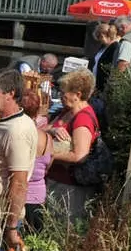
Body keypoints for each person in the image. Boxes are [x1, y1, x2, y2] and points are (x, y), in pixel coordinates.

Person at [0, 69, 37, 251]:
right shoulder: (8, 123)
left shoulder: (16, 131)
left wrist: (11, 227)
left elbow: (19, 182)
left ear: (10, 94)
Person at [44, 70, 102, 220]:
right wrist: (53, 129)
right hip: (56, 180)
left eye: (64, 92)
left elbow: (79, 155)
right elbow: (41, 130)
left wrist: (49, 155)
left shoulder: (83, 119)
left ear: (77, 94)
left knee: (62, 225)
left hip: (69, 188)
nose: (60, 96)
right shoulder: (67, 111)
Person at [19, 80, 52, 231]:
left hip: (19, 196)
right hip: (39, 196)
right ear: (37, 111)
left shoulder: (20, 135)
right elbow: (46, 168)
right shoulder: (47, 138)